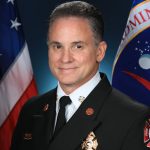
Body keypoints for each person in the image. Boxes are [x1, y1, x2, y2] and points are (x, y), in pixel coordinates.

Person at [11, 1, 149, 150]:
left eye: (78, 46)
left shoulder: (132, 118)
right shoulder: (31, 109)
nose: (65, 58)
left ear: (100, 52)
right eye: (57, 46)